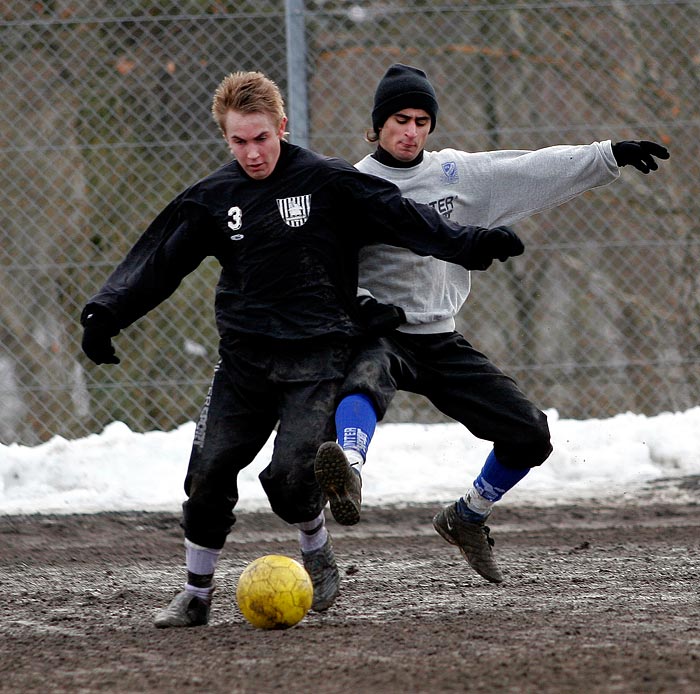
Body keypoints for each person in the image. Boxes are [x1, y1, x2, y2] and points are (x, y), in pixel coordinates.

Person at [79, 70, 526, 628]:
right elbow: (159, 261)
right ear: (226, 138)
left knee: (292, 480)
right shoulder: (214, 198)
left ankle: (314, 549)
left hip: (317, 359)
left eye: (261, 138)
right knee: (208, 473)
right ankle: (195, 594)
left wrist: (472, 243)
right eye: (238, 141)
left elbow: (403, 217)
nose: (252, 153)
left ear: (282, 128)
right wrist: (106, 312)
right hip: (243, 362)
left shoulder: (326, 182)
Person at [314, 63, 670, 584]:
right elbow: (325, 267)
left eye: (420, 120)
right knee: (363, 378)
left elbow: (530, 169)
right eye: (398, 119)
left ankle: (468, 515)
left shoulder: (456, 174)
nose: (410, 131)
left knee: (530, 433)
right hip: (380, 332)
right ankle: (349, 470)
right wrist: (363, 302)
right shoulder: (354, 184)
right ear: (377, 124)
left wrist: (606, 154)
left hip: (439, 338)